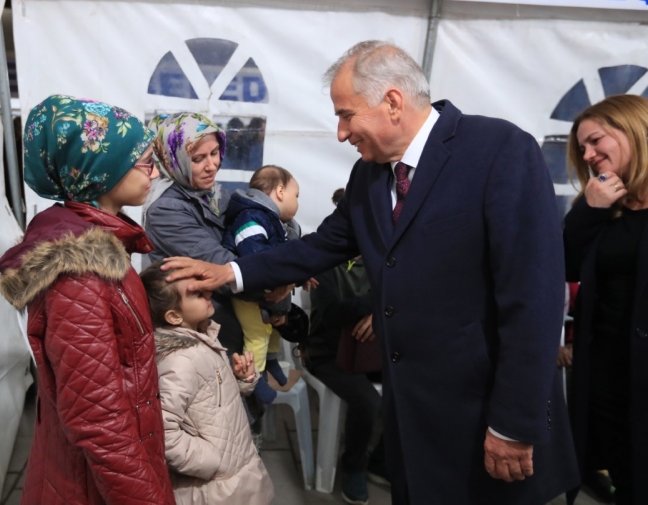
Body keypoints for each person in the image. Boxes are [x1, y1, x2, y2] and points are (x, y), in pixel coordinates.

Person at [163, 41, 579, 504]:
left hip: (484, 416)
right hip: (411, 415)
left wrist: (514, 422)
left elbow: (533, 297)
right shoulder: (371, 174)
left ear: (393, 102)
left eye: (346, 115)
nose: (341, 133)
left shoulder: (498, 151)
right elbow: (321, 246)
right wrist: (233, 273)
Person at [0, 95, 175, 505]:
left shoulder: (101, 247)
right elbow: (98, 420)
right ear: (102, 168)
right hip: (89, 488)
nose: (154, 171)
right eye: (144, 160)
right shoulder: (79, 274)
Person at [563, 94, 648, 505]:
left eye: (595, 141)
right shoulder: (602, 207)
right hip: (609, 380)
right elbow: (563, 266)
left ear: (633, 129)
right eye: (582, 149)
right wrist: (589, 211)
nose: (589, 155)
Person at [140, 262, 275, 505]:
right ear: (174, 316)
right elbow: (162, 432)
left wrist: (242, 380)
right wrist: (212, 461)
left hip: (237, 475)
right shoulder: (179, 361)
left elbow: (214, 403)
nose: (209, 293)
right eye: (198, 294)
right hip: (215, 490)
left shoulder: (204, 339)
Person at [305, 187, 386, 505]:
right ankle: (354, 466)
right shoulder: (325, 263)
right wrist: (377, 303)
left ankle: (381, 462)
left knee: (412, 387)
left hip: (369, 351)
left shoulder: (382, 261)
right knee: (367, 402)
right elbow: (332, 314)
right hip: (327, 354)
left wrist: (378, 315)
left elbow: (410, 302)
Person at [142, 112, 245, 357]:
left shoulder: (212, 193)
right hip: (197, 328)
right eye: (198, 158)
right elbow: (218, 263)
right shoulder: (166, 210)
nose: (212, 165)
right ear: (173, 160)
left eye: (214, 152)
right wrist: (273, 282)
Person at [221, 165, 302, 405]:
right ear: (280, 191)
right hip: (247, 293)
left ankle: (272, 360)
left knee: (272, 327)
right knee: (256, 334)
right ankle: (254, 380)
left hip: (262, 290)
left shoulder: (271, 219)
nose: (297, 202)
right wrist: (283, 275)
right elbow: (255, 254)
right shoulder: (251, 217)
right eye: (296, 195)